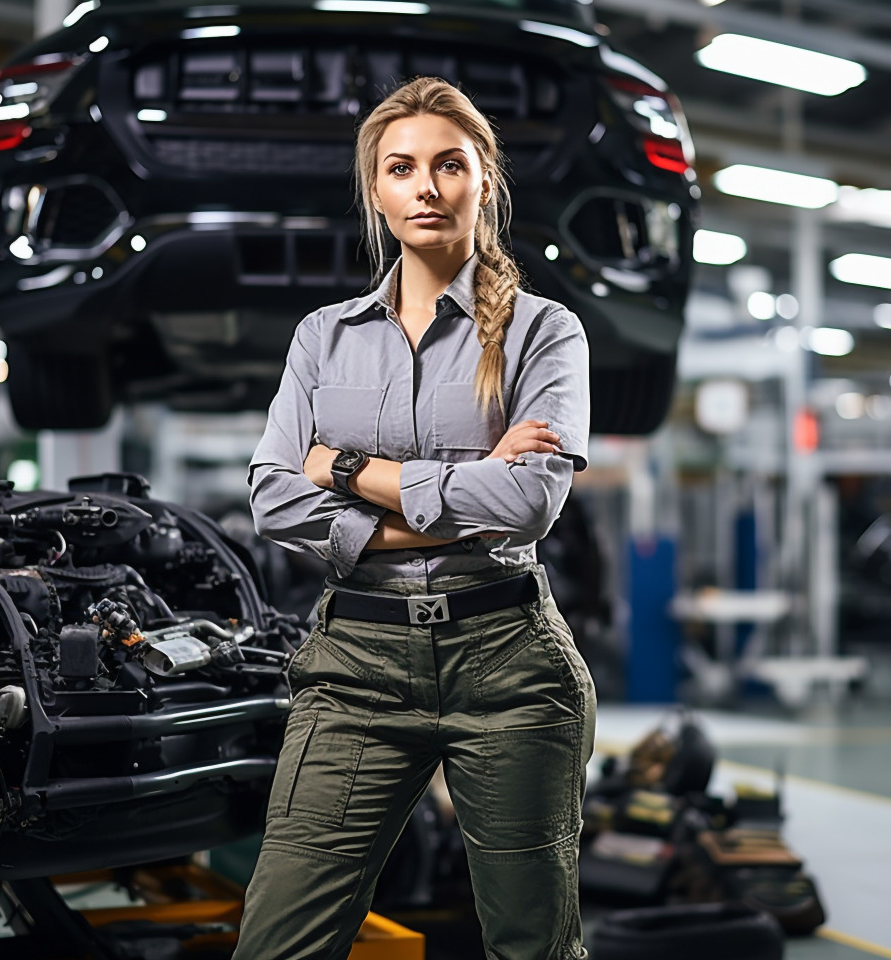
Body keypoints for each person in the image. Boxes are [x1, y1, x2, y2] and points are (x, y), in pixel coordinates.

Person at [234, 76, 596, 960]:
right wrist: (462, 490)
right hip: (354, 663)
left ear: (484, 181)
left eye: (448, 165)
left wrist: (352, 470)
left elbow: (528, 505)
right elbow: (274, 495)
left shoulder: (545, 333)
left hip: (509, 662)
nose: (426, 187)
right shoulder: (323, 336)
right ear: (377, 191)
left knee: (532, 947)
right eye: (401, 168)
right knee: (276, 942)